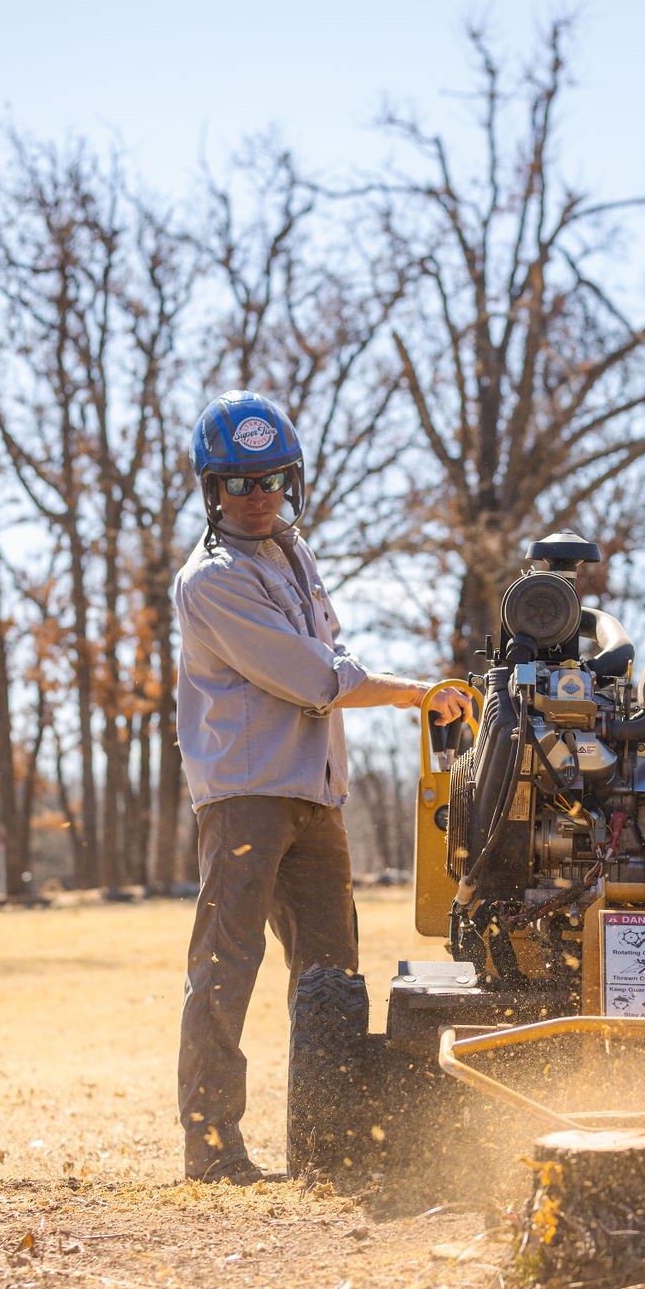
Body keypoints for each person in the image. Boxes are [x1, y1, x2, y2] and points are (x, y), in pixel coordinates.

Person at [174, 389, 470, 1184]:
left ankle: (329, 1144)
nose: (259, 496)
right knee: (226, 964)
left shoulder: (292, 555)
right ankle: (213, 1150)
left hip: (316, 793)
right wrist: (411, 690)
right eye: (240, 483)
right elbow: (313, 678)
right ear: (213, 491)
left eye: (272, 478)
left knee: (332, 973)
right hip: (247, 794)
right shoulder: (211, 581)